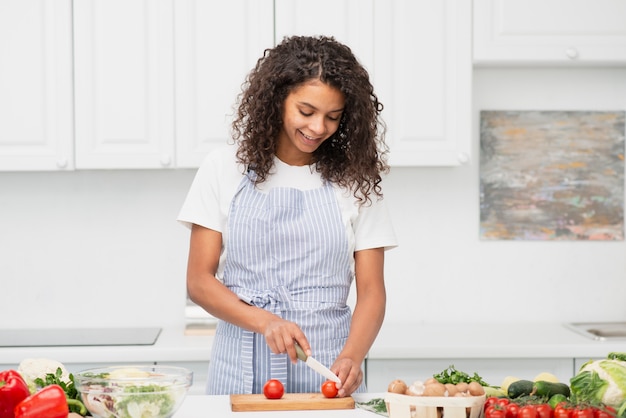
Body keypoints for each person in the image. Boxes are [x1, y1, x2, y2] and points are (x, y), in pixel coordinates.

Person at [177, 35, 397, 398]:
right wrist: (265, 321)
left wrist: (353, 357)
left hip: (326, 369)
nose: (318, 128)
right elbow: (199, 281)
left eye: (333, 117)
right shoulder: (223, 168)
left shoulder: (355, 182)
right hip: (239, 368)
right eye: (306, 112)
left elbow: (372, 291)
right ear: (278, 99)